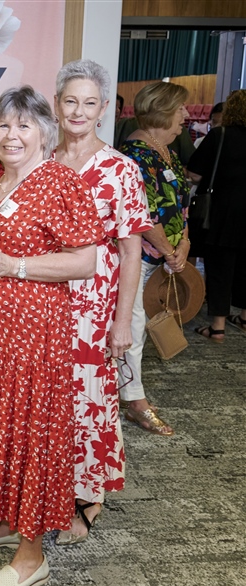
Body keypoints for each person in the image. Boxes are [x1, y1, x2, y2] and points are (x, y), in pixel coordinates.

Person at [0, 86, 101, 586]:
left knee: (31, 433)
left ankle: (32, 554)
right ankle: (5, 522)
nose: (11, 135)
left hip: (34, 332)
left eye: (24, 125)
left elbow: (85, 261)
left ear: (45, 132)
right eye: (3, 125)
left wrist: (13, 265)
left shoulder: (59, 181)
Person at [52, 60, 152, 545]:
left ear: (103, 108)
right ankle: (51, 490)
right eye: (71, 100)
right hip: (45, 301)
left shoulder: (121, 169)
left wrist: (122, 321)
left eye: (89, 103)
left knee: (90, 401)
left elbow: (132, 252)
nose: (78, 111)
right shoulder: (42, 161)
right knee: (52, 399)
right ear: (56, 104)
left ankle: (89, 496)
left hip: (95, 307)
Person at [117, 82, 191, 436]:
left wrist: (185, 243)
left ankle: (128, 392)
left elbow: (181, 205)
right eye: (180, 109)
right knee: (131, 329)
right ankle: (135, 401)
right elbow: (143, 215)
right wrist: (168, 250)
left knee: (141, 327)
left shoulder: (167, 151)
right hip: (138, 258)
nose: (186, 115)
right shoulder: (134, 155)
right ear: (162, 111)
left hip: (163, 258)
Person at [187, 90, 246, 340]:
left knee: (220, 265)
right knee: (244, 266)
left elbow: (195, 173)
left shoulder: (219, 135)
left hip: (222, 212)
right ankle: (244, 318)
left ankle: (218, 326)